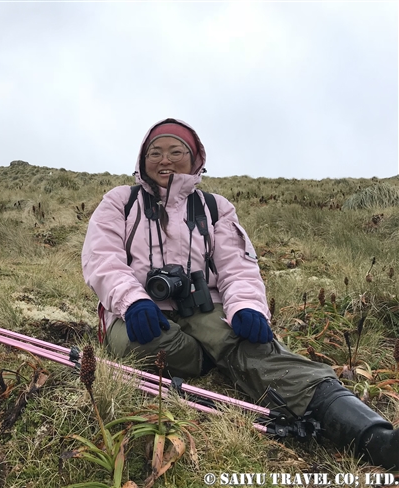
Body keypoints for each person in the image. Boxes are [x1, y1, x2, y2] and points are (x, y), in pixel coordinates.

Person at [81, 118, 399, 470]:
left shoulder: (215, 207)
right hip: (137, 310)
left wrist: (247, 306)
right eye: (155, 152)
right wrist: (132, 299)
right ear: (143, 159)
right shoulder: (121, 201)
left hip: (201, 309)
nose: (164, 160)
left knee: (258, 347)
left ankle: (373, 435)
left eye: (176, 152)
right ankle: (214, 357)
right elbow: (102, 258)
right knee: (137, 345)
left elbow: (237, 267)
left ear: (195, 159)